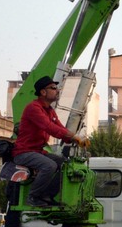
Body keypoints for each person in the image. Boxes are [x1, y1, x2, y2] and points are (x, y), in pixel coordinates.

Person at [12, 76, 89, 207]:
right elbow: (49, 127)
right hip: (24, 152)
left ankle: (47, 195)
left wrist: (75, 138)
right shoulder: (33, 108)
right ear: (43, 92)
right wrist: (74, 136)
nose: (57, 90)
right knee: (50, 166)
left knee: (66, 165)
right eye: (53, 88)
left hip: (37, 152)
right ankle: (33, 197)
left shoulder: (50, 111)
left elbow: (60, 128)